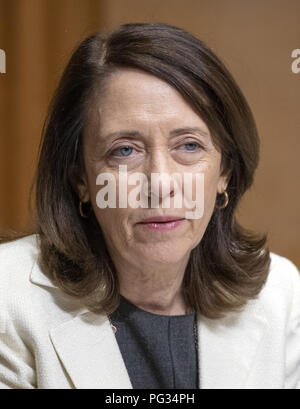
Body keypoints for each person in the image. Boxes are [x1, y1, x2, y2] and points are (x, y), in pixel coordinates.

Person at [0, 22, 299, 389]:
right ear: (81, 179)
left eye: (189, 146)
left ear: (225, 172)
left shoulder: (280, 293)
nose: (160, 183)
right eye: (125, 150)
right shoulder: (7, 297)